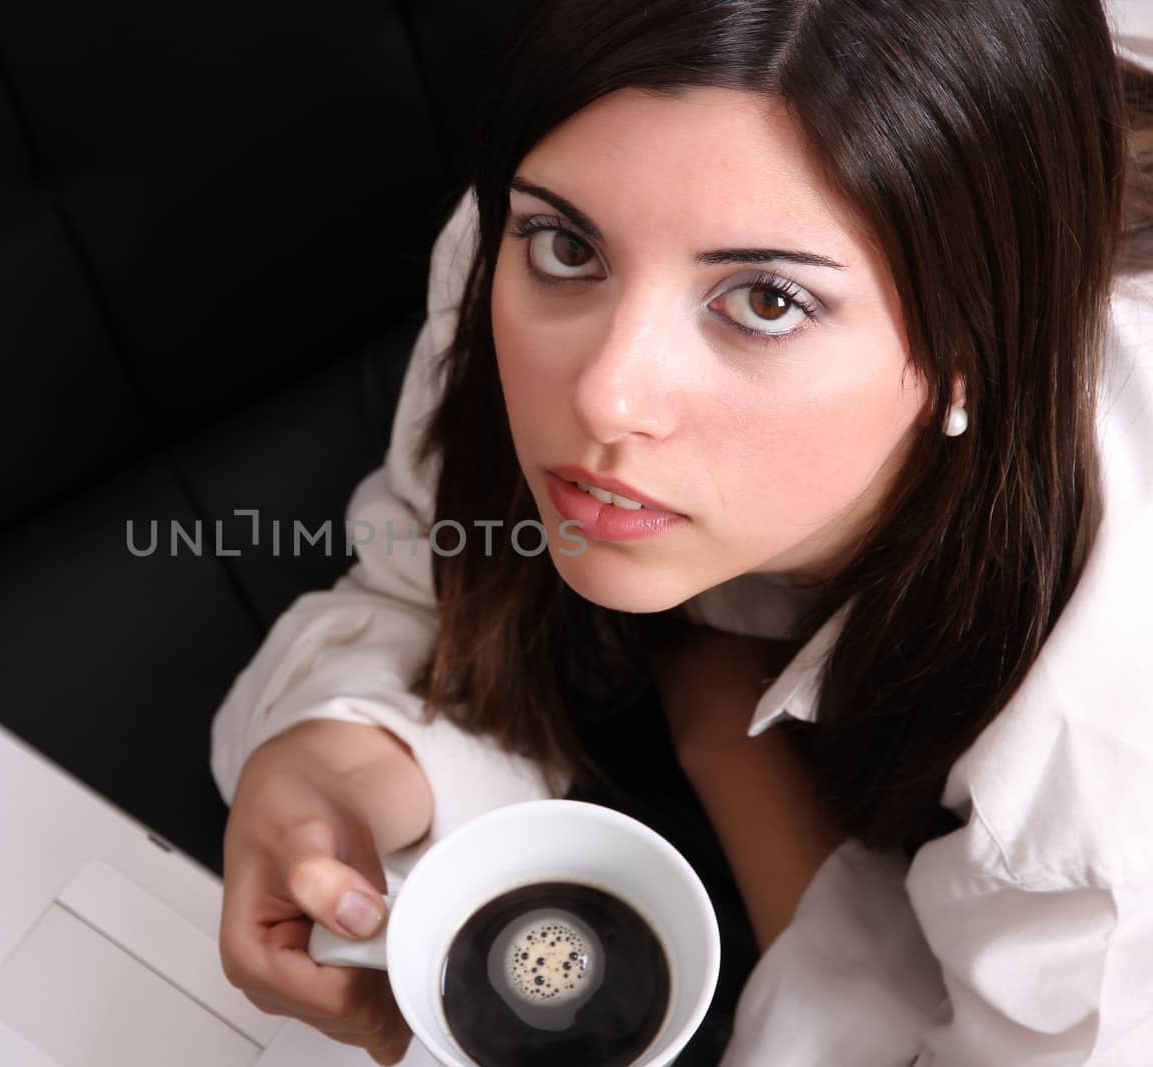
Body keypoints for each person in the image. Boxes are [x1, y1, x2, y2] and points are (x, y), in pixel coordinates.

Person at [211, 1, 1153, 1063]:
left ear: (975, 350)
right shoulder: (560, 213)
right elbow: (429, 572)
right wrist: (340, 755)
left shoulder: (1104, 765)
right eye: (569, 245)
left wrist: (719, 728)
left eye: (763, 301)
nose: (605, 394)